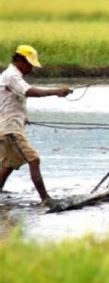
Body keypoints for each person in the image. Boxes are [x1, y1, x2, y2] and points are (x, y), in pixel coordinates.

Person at [0, 45, 73, 208]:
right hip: (10, 128)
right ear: (19, 60)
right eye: (29, 64)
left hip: (11, 125)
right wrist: (56, 91)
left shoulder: (11, 75)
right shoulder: (12, 76)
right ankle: (46, 199)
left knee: (9, 163)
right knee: (34, 160)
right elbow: (29, 91)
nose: (31, 68)